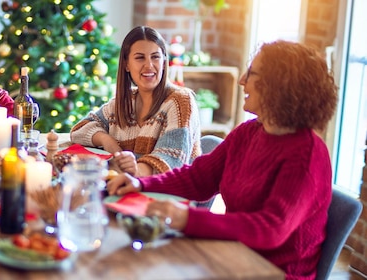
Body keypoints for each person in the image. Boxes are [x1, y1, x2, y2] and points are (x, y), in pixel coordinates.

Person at [107, 40, 338, 279]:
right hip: (231, 256)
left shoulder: (307, 155)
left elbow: (271, 229)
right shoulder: (249, 132)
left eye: (252, 73)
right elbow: (199, 179)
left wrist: (186, 218)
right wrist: (141, 184)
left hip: (271, 273)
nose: (241, 80)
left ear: (279, 85)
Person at [70, 26, 201, 177]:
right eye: (140, 58)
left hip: (170, 195)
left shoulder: (180, 101)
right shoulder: (124, 102)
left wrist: (136, 170)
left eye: (155, 57)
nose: (149, 65)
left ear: (164, 61)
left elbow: (171, 159)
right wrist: (106, 139)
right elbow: (79, 130)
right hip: (131, 188)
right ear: (126, 64)